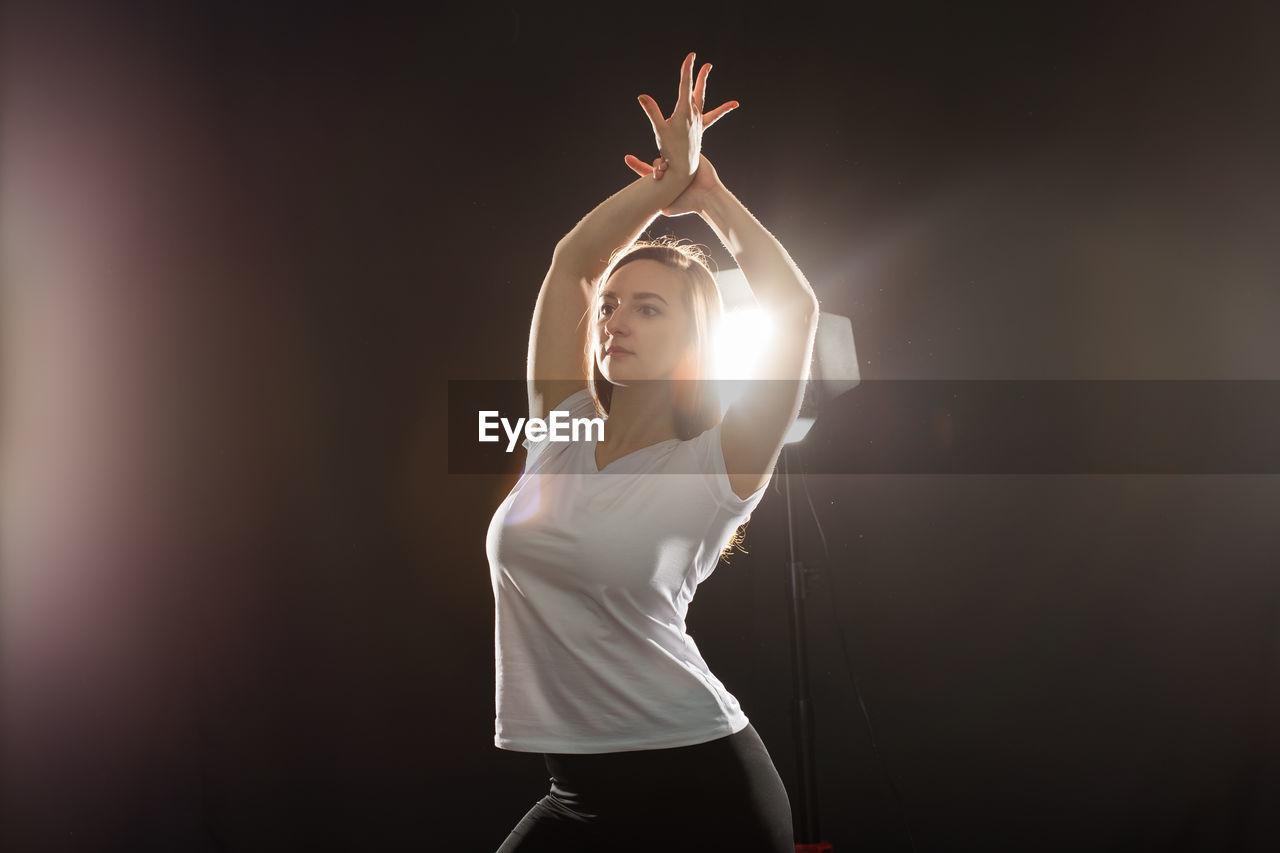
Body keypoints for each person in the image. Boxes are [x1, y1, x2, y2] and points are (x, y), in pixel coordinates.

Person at [486, 51, 819, 852]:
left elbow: (795, 308)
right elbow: (574, 262)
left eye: (648, 309)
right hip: (578, 790)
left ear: (693, 335)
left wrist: (708, 199)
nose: (616, 322)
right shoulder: (556, 434)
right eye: (611, 308)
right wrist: (662, 185)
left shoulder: (718, 461)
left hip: (700, 785)